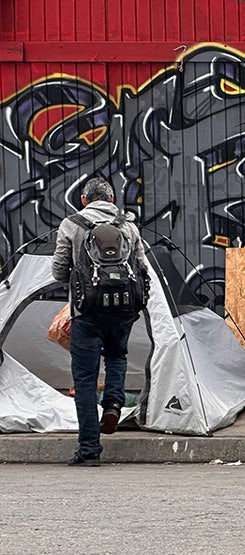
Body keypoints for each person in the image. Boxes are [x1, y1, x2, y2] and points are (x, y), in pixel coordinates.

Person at [51, 177, 146, 466]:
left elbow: (58, 271)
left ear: (84, 200)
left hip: (86, 312)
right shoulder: (128, 226)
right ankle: (114, 404)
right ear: (112, 198)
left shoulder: (71, 225)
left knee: (85, 379)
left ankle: (90, 449)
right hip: (123, 310)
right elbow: (141, 267)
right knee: (117, 356)